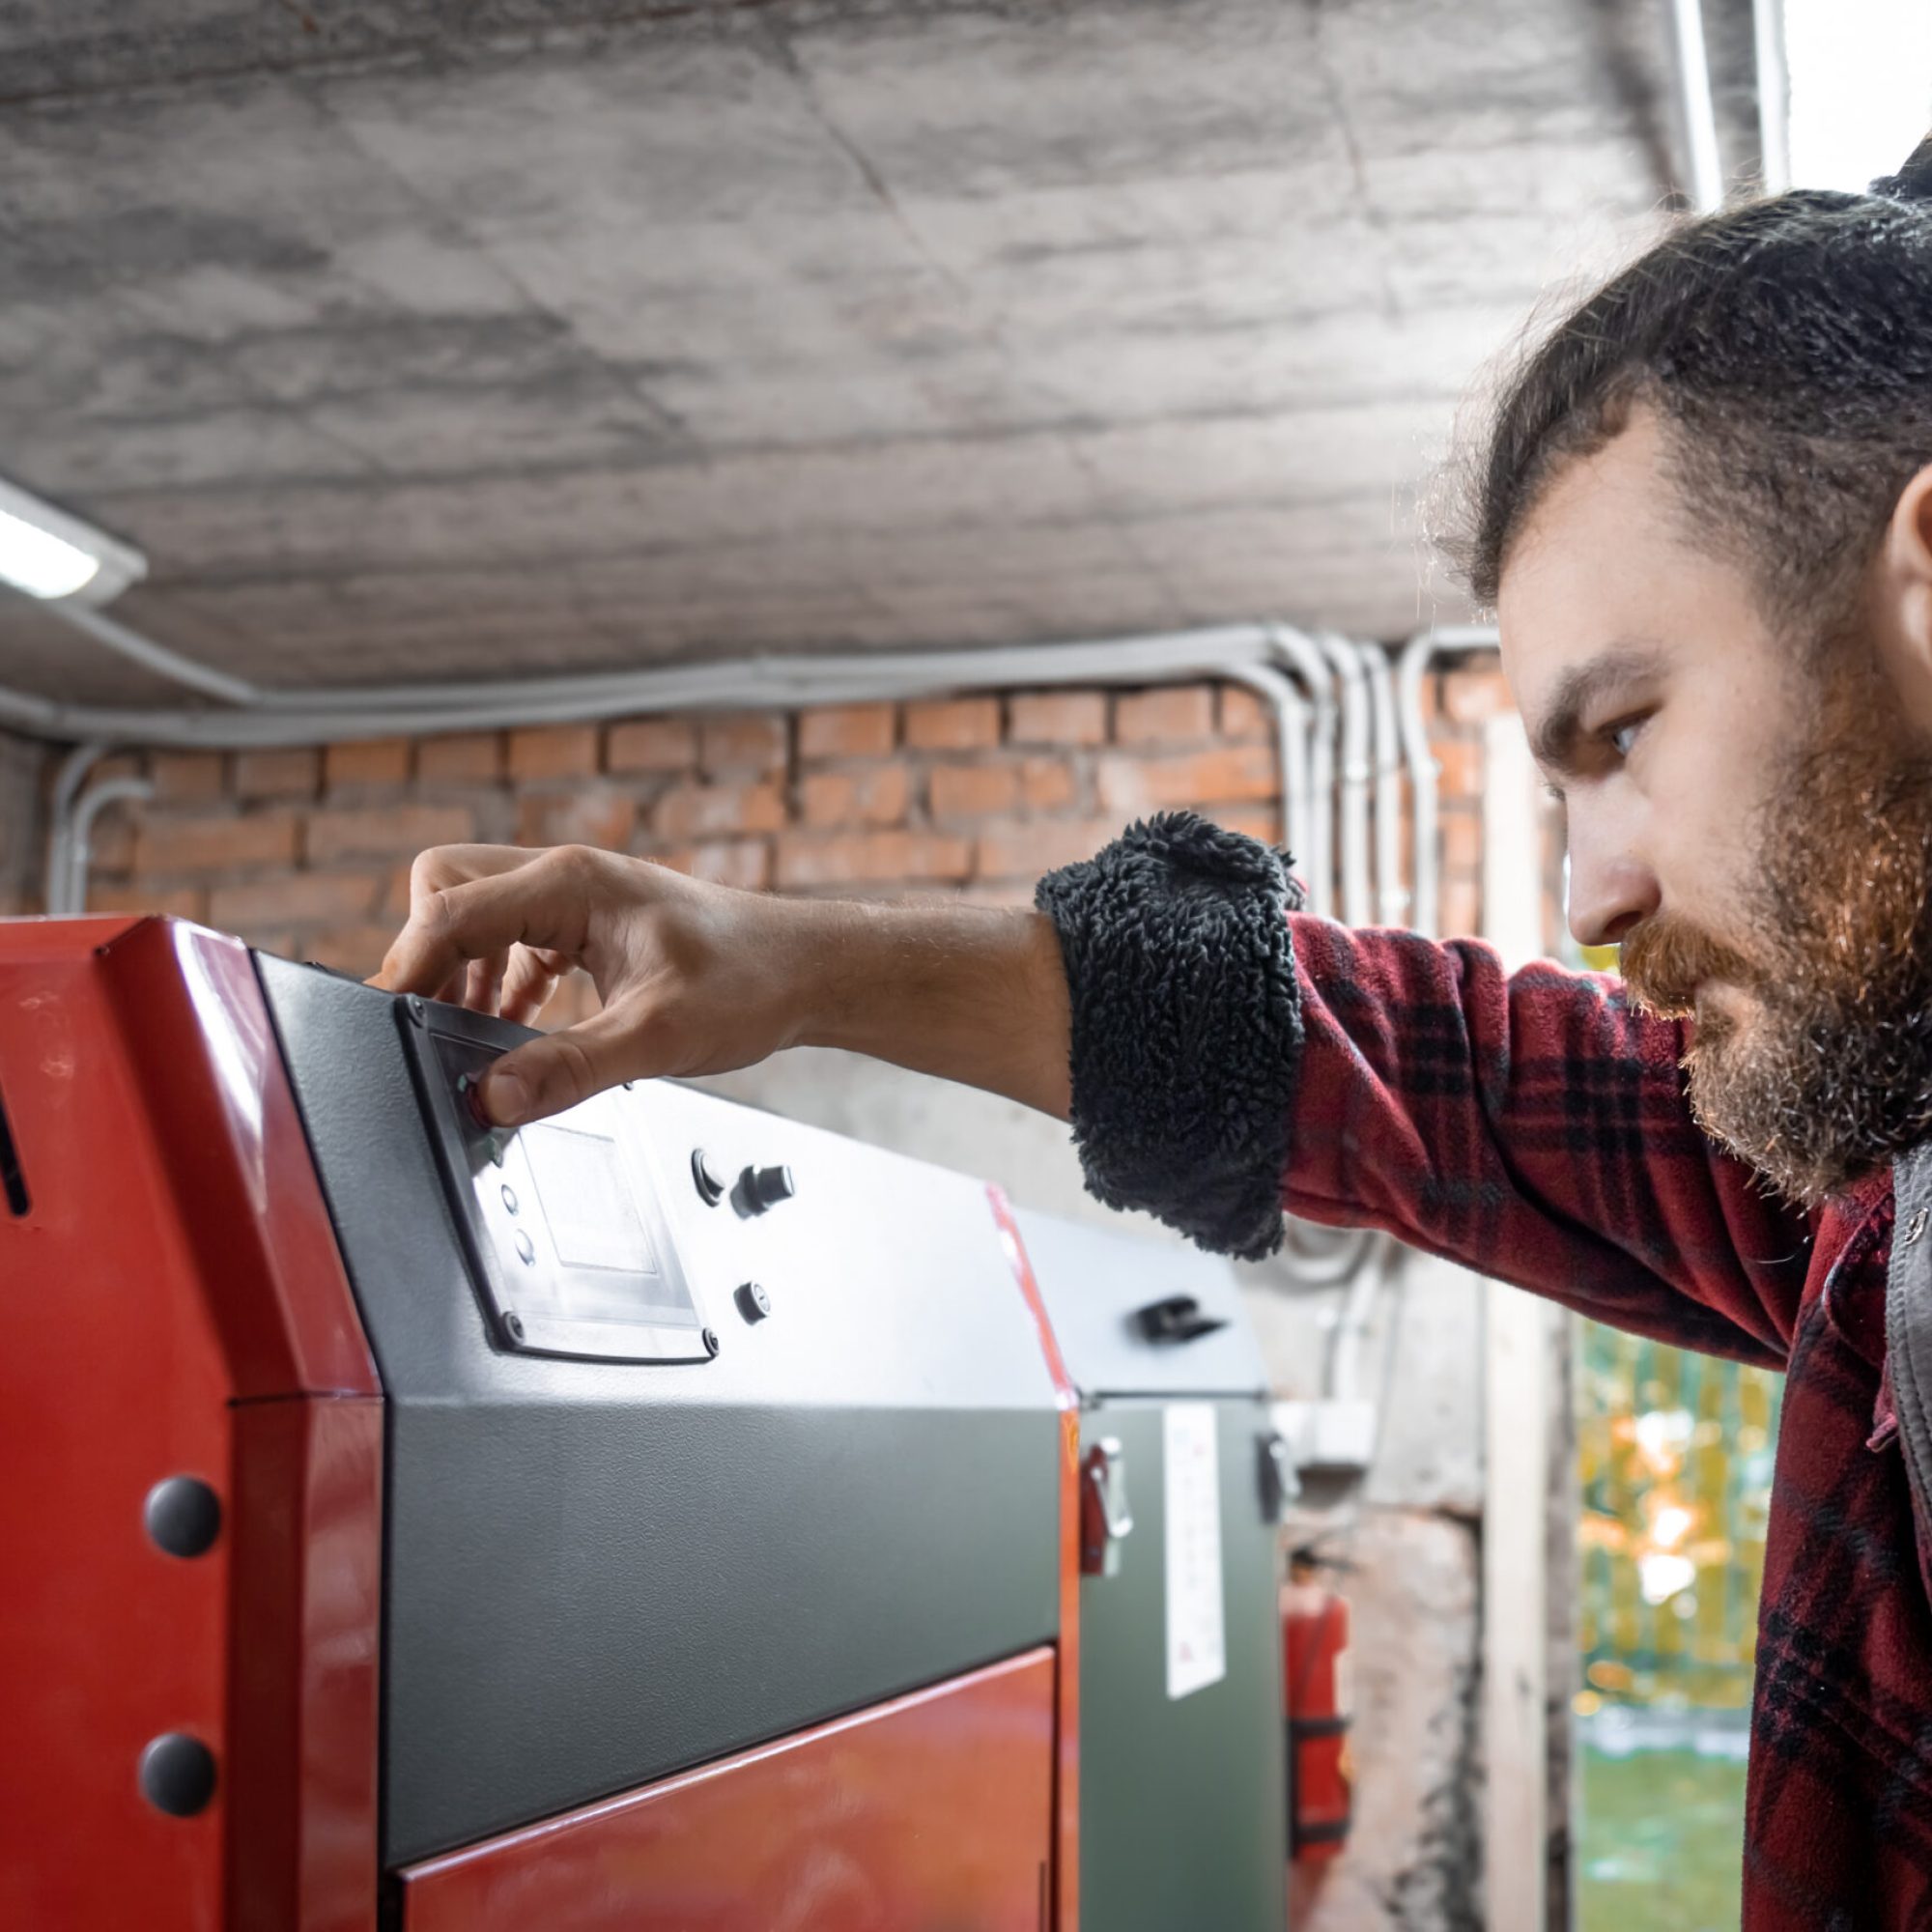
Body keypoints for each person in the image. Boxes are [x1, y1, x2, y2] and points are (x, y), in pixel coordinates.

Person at [378, 141, 1932, 1927]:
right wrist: (791, 963)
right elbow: (1460, 1087)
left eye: (1626, 732)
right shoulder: (1880, 1209)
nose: (1593, 897)